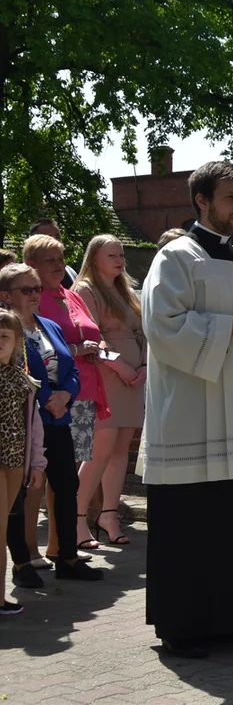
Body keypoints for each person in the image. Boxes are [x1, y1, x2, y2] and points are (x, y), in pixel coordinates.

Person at [139, 161, 233, 658]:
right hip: (192, 408)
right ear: (201, 201)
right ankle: (183, 628)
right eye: (229, 198)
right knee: (192, 519)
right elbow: (162, 326)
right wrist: (227, 328)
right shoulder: (174, 259)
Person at [0, 263, 101, 583]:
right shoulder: (6, 330)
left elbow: (70, 368)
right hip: (24, 422)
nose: (34, 295)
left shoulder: (48, 327)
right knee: (19, 492)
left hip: (58, 420)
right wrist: (46, 398)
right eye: (26, 290)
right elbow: (14, 369)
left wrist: (67, 396)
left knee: (67, 485)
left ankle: (67, 558)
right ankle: (21, 564)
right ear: (5, 296)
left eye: (37, 289)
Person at [24, 234, 109, 553]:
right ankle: (35, 547)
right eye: (51, 260)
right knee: (42, 472)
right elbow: (38, 349)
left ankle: (64, 544)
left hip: (82, 391)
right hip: (49, 399)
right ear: (31, 265)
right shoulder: (33, 299)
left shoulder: (70, 295)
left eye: (61, 259)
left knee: (71, 474)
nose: (60, 265)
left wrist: (96, 346)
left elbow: (91, 331)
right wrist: (77, 348)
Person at [71, 235, 146, 547]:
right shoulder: (85, 290)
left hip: (133, 379)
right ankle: (74, 519)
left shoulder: (126, 290)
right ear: (94, 258)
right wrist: (121, 366)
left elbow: (142, 331)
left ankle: (109, 514)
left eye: (121, 254)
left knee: (120, 448)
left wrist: (142, 366)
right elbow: (91, 335)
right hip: (103, 374)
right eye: (111, 254)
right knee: (99, 449)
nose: (119, 259)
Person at [0, 309, 47, 614]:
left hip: (15, 460)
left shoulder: (22, 378)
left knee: (3, 525)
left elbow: (33, 425)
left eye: (4, 337)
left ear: (16, 341)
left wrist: (38, 463)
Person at [28, 219, 79, 288]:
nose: (54, 240)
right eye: (48, 237)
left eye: (57, 236)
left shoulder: (71, 272)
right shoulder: (26, 285)